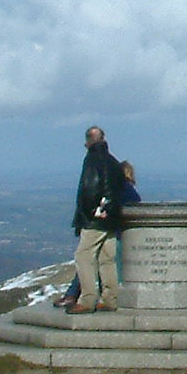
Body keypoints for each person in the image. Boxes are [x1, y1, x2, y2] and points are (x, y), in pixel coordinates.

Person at [69, 128, 138, 313]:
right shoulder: (113, 161)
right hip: (112, 218)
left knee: (84, 256)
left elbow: (89, 189)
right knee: (107, 258)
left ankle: (87, 299)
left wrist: (89, 213)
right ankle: (110, 298)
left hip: (96, 219)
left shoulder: (92, 160)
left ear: (87, 142)